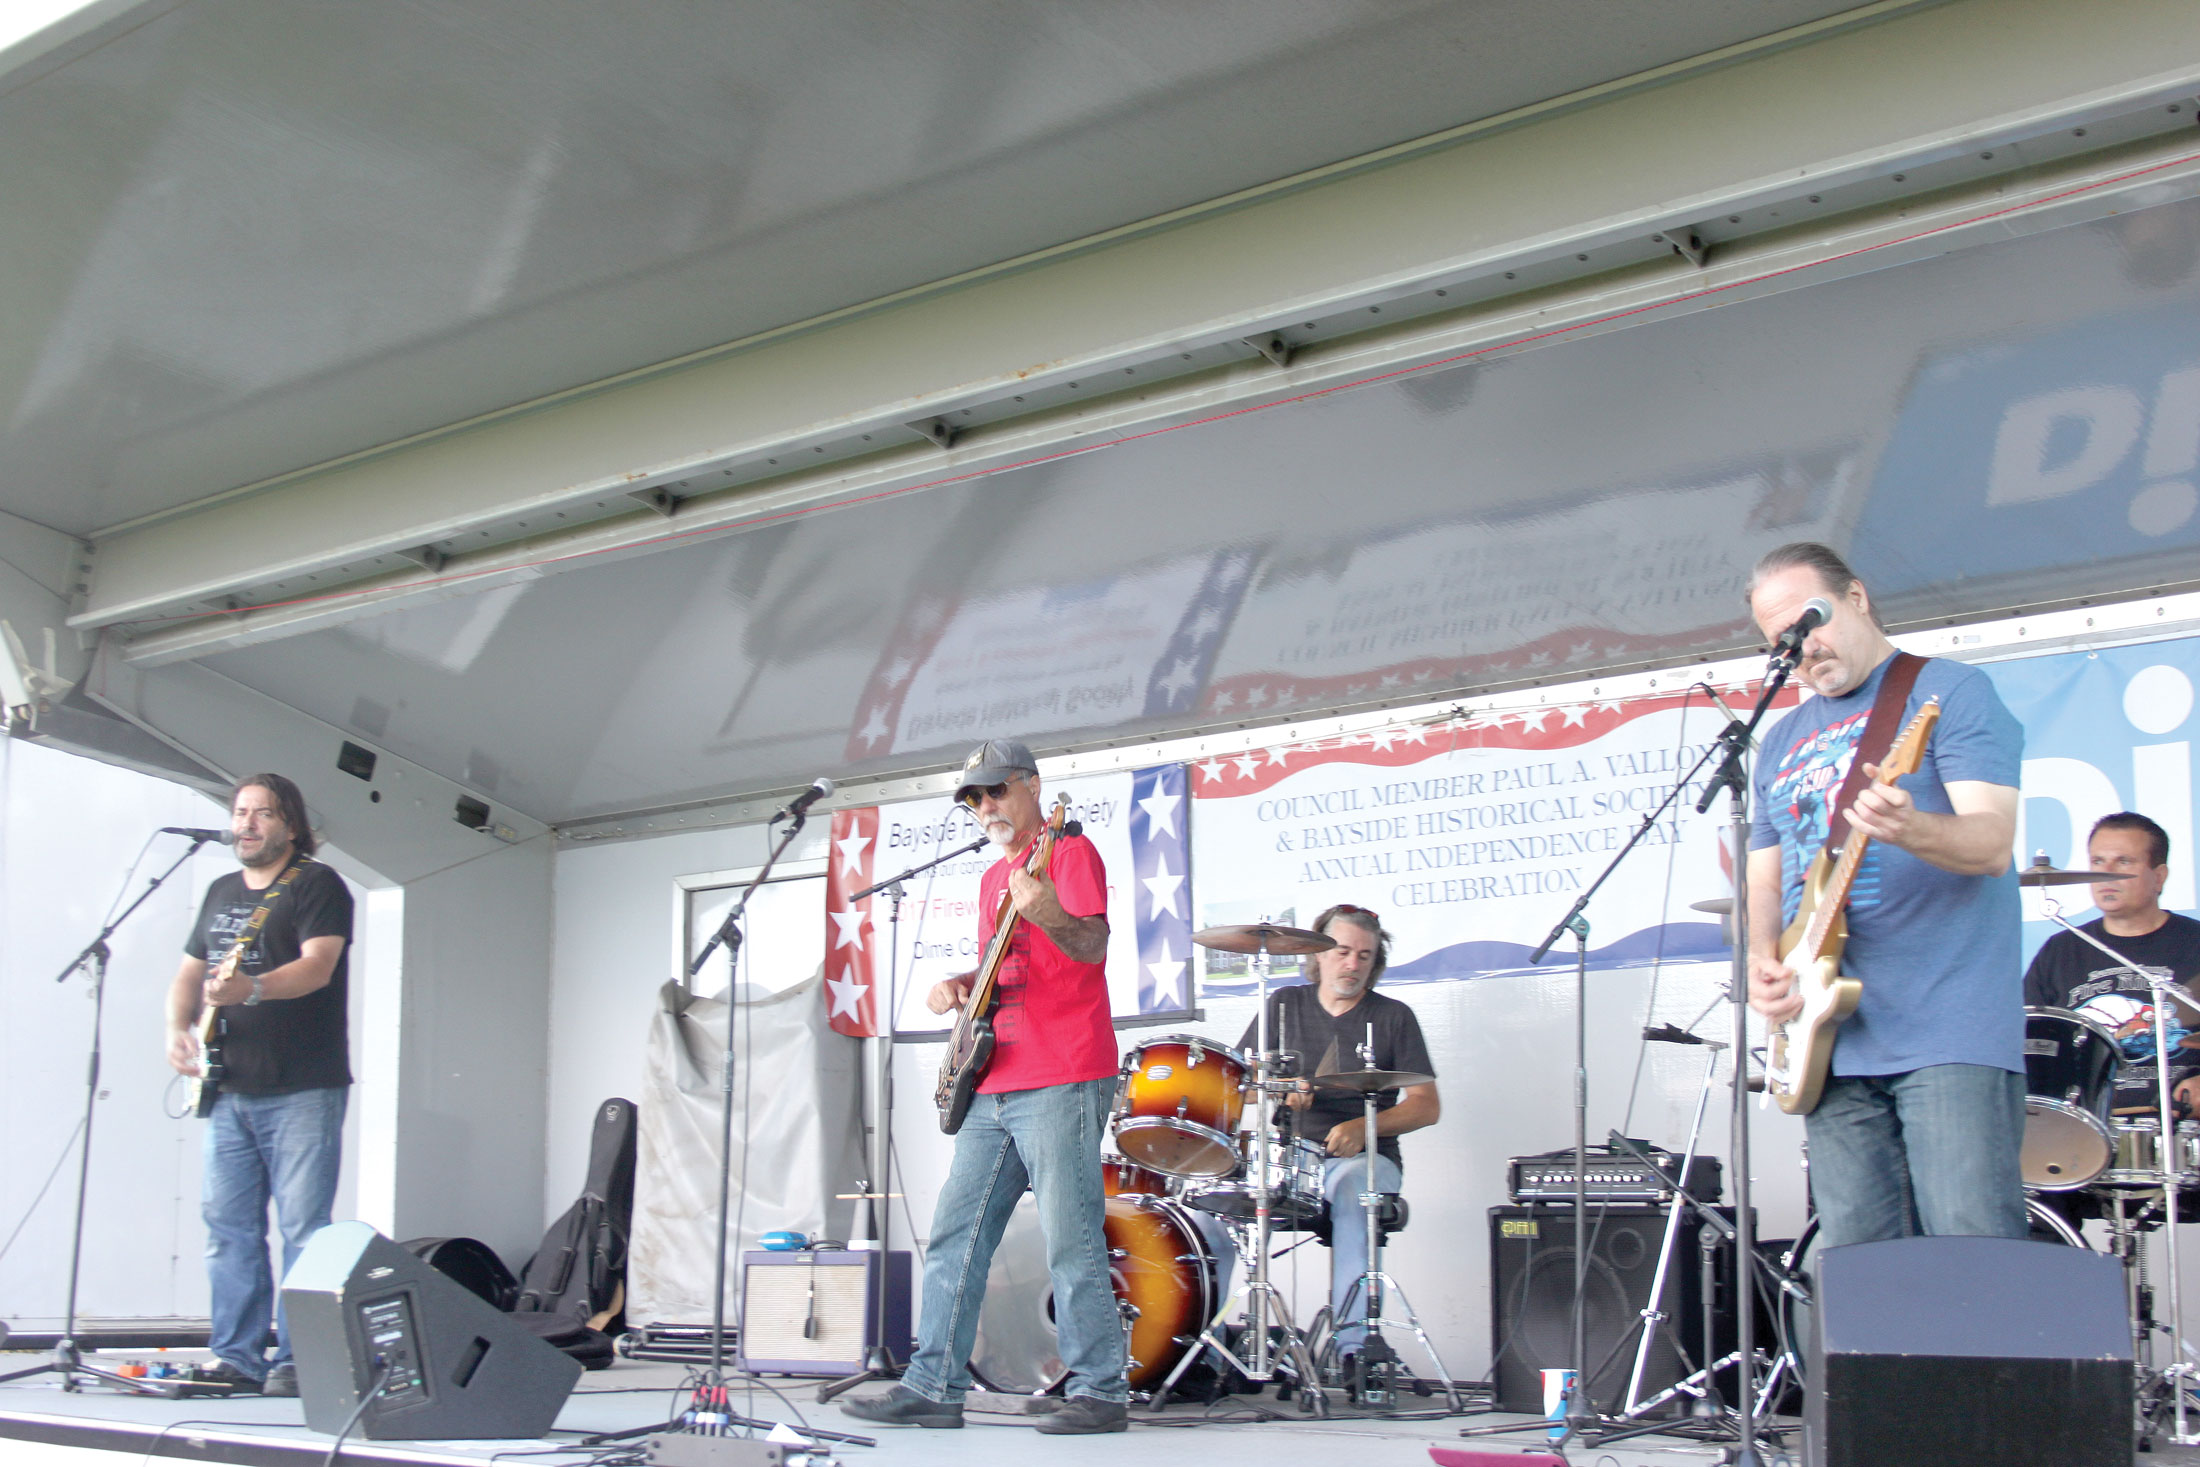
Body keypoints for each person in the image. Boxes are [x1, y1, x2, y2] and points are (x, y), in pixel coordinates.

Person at [1744, 542, 2025, 1250]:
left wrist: (1910, 827)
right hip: (1827, 1035)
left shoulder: (1948, 692)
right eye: (1782, 642)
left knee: (1971, 1250)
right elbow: (1765, 877)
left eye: (1810, 624)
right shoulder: (1778, 740)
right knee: (1858, 1261)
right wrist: (1762, 959)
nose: (1803, 649)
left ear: (1858, 598)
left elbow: (1992, 843)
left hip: (1947, 1026)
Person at [844, 739, 1128, 1433]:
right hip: (994, 1077)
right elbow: (1008, 970)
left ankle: (1101, 1391)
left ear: (1032, 786)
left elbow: (1091, 945)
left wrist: (1047, 909)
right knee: (955, 1233)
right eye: (974, 797)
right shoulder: (991, 879)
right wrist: (961, 984)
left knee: (1070, 1237)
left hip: (1063, 1073)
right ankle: (933, 1386)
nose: (985, 806)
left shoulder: (1068, 853)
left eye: (996, 790)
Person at [165, 774, 353, 1395]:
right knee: (228, 1228)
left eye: (262, 814)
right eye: (240, 812)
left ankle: (300, 1360)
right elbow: (189, 973)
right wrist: (176, 1028)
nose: (245, 824)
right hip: (228, 1088)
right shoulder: (220, 891)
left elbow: (318, 967)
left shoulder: (317, 884)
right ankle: (236, 1358)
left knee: (303, 1228)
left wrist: (253, 988)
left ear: (291, 826)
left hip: (303, 1086)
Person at [1238, 904, 1438, 1371]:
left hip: (1364, 1160)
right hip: (1290, 1161)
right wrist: (1282, 1089)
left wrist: (1364, 1128)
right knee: (1214, 1209)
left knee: (1354, 1190)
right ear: (1319, 954)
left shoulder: (1393, 1017)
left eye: (1364, 956)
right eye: (1343, 952)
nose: (1353, 964)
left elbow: (1427, 1105)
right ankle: (1200, 1341)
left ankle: (1355, 1349)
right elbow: (1238, 1087)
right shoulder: (1283, 1005)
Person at [2024, 812, 2200, 1116]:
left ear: (2159, 876)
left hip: (2181, 1125)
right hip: (2083, 1129)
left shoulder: (2194, 942)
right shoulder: (2060, 950)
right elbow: (2028, 1041)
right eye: (2098, 861)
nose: (2106, 874)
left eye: (2123, 862)